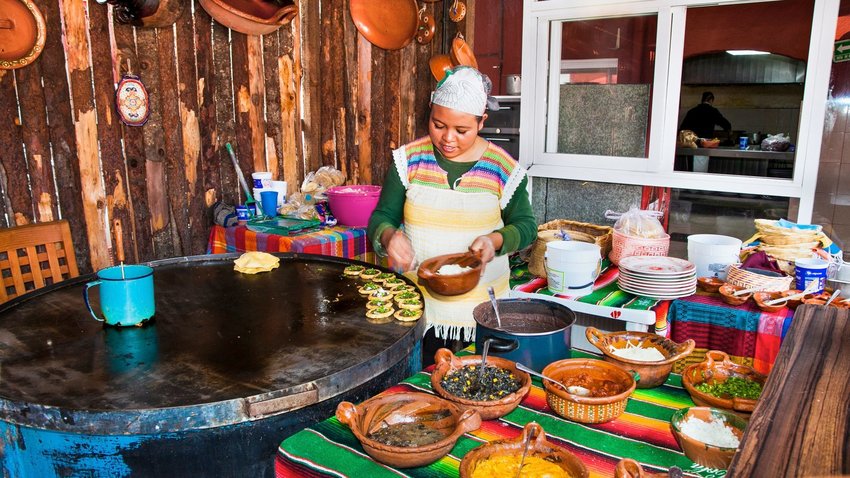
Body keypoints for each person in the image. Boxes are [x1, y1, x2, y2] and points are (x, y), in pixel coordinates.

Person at [367, 66, 537, 364]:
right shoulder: (408, 160)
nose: (447, 138)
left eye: (461, 130)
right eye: (438, 124)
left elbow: (526, 227)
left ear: (482, 121)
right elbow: (382, 215)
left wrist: (495, 240)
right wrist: (388, 235)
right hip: (418, 309)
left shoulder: (502, 168)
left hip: (482, 315)